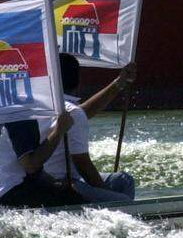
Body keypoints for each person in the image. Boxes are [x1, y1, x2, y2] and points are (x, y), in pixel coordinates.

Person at [41, 54, 137, 203]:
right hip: (64, 184)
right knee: (123, 201)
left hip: (43, 180)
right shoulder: (73, 112)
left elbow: (82, 112)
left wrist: (119, 83)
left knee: (123, 180)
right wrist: (105, 193)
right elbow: (83, 166)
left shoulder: (44, 106)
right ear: (78, 81)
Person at [0, 108, 85, 208]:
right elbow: (31, 165)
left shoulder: (10, 113)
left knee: (67, 191)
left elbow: (31, 171)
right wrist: (59, 130)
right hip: (3, 194)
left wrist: (56, 183)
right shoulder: (20, 116)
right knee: (81, 201)